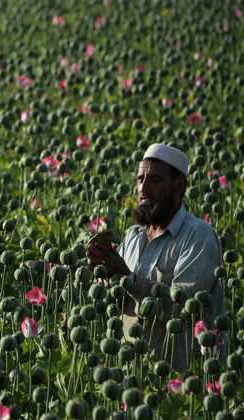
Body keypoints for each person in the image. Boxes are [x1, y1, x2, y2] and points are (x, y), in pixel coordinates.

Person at [87, 143, 223, 372]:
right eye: (140, 179)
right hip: (129, 372)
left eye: (154, 180)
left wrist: (127, 277)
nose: (143, 188)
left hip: (180, 379)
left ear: (179, 185)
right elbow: (114, 295)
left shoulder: (198, 237)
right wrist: (97, 273)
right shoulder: (133, 237)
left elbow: (186, 310)